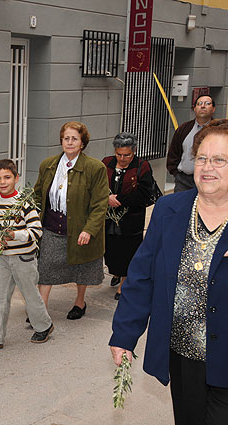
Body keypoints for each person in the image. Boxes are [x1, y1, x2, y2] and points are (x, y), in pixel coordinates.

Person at [110, 119, 228, 425]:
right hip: (183, 355)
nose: (207, 167)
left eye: (219, 159)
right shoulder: (169, 209)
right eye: (202, 158)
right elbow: (142, 276)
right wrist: (124, 334)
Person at [0, 159, 53, 354]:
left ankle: (44, 326)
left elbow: (36, 231)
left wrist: (14, 235)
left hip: (24, 258)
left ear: (16, 178)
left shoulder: (24, 204)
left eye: (7, 177)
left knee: (30, 294)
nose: (2, 182)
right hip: (3, 258)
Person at [33, 121, 108, 319]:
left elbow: (100, 204)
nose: (70, 142)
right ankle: (40, 311)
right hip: (51, 226)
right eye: (66, 138)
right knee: (45, 268)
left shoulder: (95, 168)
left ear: (83, 143)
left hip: (79, 228)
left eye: (74, 138)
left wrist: (89, 230)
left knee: (81, 268)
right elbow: (38, 196)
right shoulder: (48, 165)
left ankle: (79, 302)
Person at [102, 132, 154, 300]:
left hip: (131, 217)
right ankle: (116, 272)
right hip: (109, 218)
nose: (122, 158)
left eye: (127, 155)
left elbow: (144, 194)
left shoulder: (142, 166)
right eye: (119, 154)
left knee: (129, 250)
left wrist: (119, 200)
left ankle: (125, 281)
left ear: (135, 151)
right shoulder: (106, 163)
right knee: (111, 249)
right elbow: (97, 185)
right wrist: (106, 198)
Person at [167, 94, 215, 192]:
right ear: (194, 108)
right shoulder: (184, 129)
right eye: (199, 104)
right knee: (181, 206)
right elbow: (174, 152)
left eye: (207, 103)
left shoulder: (218, 130)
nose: (202, 106)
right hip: (184, 181)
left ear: (213, 109)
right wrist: (176, 173)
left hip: (210, 180)